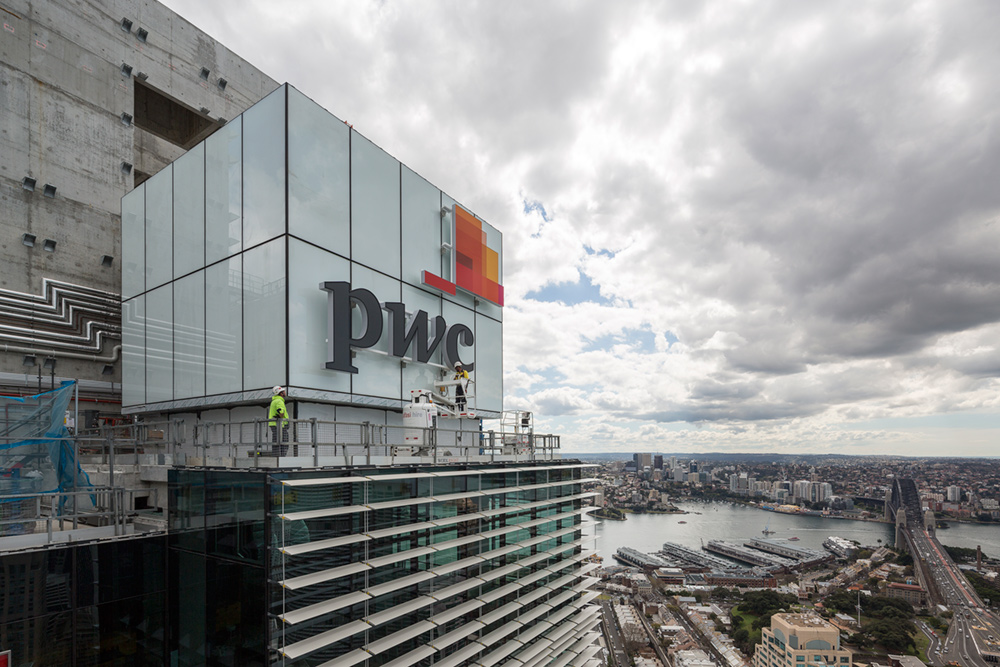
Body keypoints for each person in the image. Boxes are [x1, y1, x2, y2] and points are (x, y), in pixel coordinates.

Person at [269, 386, 289, 455]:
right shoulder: (279, 401)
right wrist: (281, 416)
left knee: (276, 442)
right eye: (283, 391)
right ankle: (281, 458)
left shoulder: (274, 401)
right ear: (281, 393)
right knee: (284, 443)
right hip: (280, 425)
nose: (285, 392)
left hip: (275, 425)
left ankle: (276, 457)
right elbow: (281, 413)